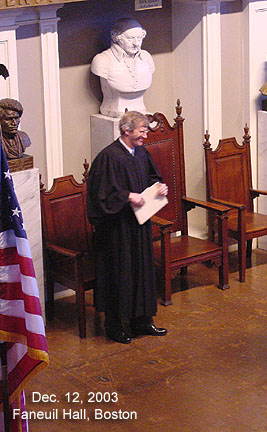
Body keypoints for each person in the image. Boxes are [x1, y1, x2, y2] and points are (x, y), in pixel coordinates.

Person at [87, 111, 168, 344]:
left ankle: (143, 321)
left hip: (139, 225)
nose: (145, 135)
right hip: (116, 230)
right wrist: (127, 196)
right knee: (119, 274)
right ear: (126, 131)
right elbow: (100, 194)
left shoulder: (141, 152)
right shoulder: (108, 157)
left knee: (142, 271)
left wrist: (158, 187)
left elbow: (153, 176)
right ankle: (115, 326)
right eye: (142, 131)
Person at [91, 18, 155, 118]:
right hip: (114, 109)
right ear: (116, 37)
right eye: (130, 38)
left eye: (139, 38)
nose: (136, 43)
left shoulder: (146, 57)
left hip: (141, 108)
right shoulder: (102, 60)